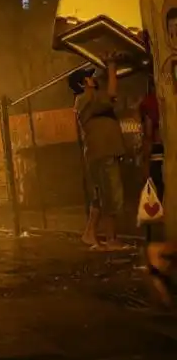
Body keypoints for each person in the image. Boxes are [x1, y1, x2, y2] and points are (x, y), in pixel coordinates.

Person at [70, 56, 127, 251]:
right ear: (83, 83)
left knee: (102, 196)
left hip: (101, 153)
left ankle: (90, 234)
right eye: (88, 77)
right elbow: (111, 92)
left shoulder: (88, 99)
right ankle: (111, 239)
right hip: (103, 153)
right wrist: (111, 66)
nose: (92, 78)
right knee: (112, 195)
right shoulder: (86, 98)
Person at [139, 73, 175, 306]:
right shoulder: (156, 102)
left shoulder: (150, 103)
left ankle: (157, 257)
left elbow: (148, 134)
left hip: (159, 155)